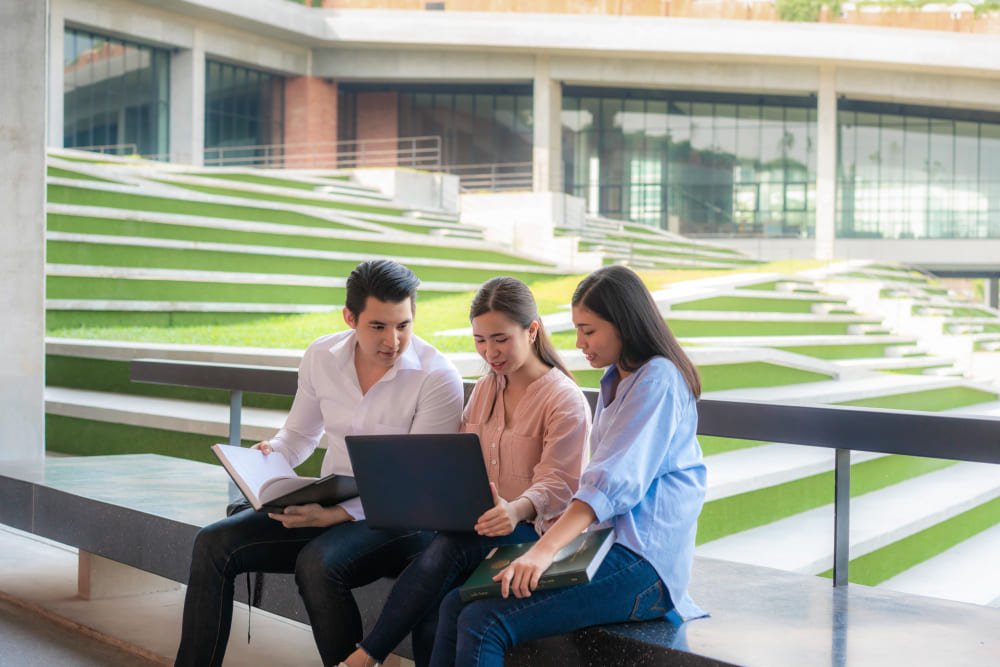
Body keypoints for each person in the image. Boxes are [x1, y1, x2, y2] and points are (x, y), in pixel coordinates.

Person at [174, 260, 465, 667]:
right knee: (213, 543)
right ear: (350, 317)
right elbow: (298, 437)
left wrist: (336, 515)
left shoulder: (437, 378)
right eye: (378, 326)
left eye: (404, 325)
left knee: (318, 564)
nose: (393, 340)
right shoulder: (321, 356)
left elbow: (419, 483)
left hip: (405, 519)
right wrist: (270, 456)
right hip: (329, 502)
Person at [429, 265, 707, 667]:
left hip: (642, 565)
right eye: (578, 329)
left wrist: (541, 553)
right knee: (457, 604)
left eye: (589, 330)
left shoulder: (658, 380)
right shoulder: (619, 379)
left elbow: (608, 485)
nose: (579, 343)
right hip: (603, 548)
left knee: (483, 621)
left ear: (624, 324)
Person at [340, 276, 591, 667]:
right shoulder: (486, 389)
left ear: (533, 330)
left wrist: (514, 509)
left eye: (500, 339)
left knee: (448, 550)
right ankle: (370, 654)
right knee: (435, 607)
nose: (490, 352)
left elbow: (559, 485)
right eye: (480, 340)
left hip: (537, 534)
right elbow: (459, 459)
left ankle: (368, 653)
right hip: (482, 528)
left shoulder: (563, 400)